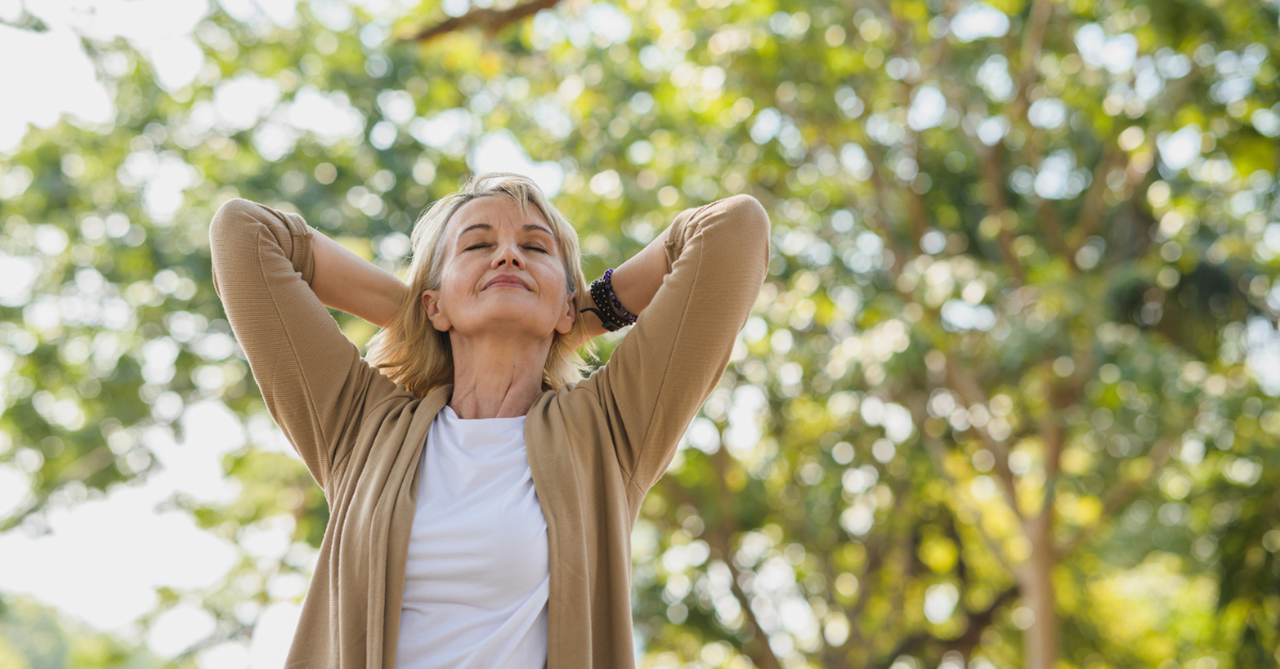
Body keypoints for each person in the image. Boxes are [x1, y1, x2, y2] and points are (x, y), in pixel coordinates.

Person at [208, 171, 770, 668]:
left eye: (535, 248)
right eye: (478, 245)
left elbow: (733, 230)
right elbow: (245, 233)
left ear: (566, 305)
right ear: (434, 302)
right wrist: (420, 315)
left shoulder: (609, 429)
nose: (508, 256)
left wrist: (579, 315)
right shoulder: (361, 425)